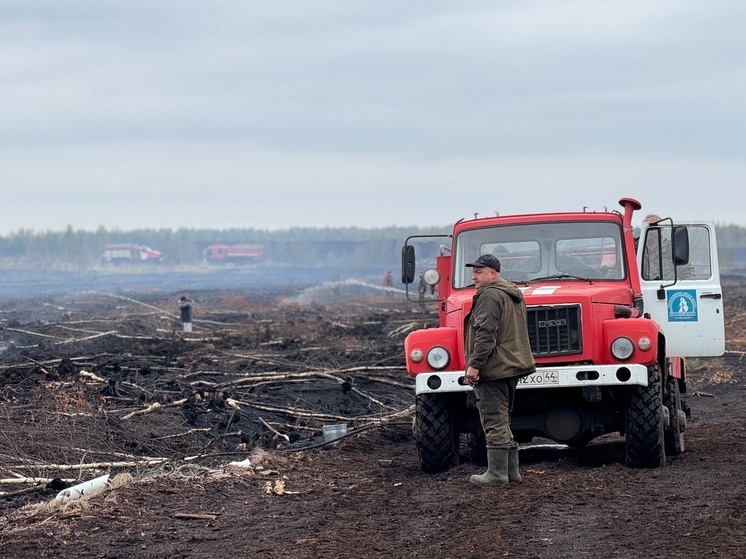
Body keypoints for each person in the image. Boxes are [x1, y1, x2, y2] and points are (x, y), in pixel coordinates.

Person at [463, 254, 536, 486]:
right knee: (503, 418)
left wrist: (474, 365)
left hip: (494, 367)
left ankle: (496, 474)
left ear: (493, 274)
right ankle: (512, 472)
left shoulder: (490, 295)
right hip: (511, 364)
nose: (474, 276)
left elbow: (485, 334)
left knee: (493, 418)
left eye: (479, 272)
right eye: (473, 272)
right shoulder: (511, 293)